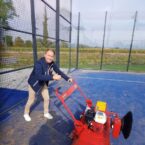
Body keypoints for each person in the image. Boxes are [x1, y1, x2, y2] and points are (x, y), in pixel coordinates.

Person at [24, 49, 72, 122]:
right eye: (48, 55)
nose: (50, 57)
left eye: (52, 56)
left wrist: (67, 78)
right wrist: (53, 77)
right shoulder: (39, 63)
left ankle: (46, 113)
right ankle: (26, 113)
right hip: (34, 83)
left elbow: (58, 71)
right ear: (45, 55)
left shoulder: (52, 63)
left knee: (46, 98)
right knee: (31, 99)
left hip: (43, 83)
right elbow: (39, 76)